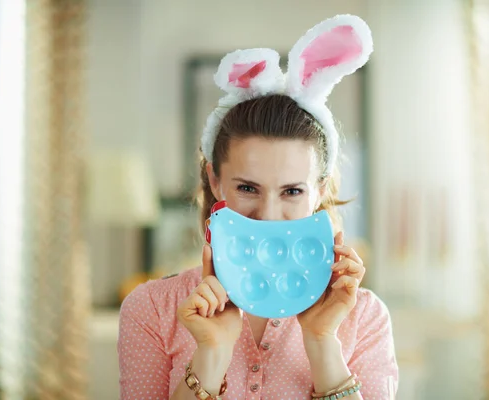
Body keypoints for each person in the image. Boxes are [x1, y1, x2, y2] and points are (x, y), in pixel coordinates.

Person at [118, 14, 398, 400]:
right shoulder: (152, 309)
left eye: (292, 192)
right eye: (248, 187)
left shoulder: (363, 317)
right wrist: (211, 355)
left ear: (319, 191)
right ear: (215, 180)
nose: (268, 214)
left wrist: (321, 341)